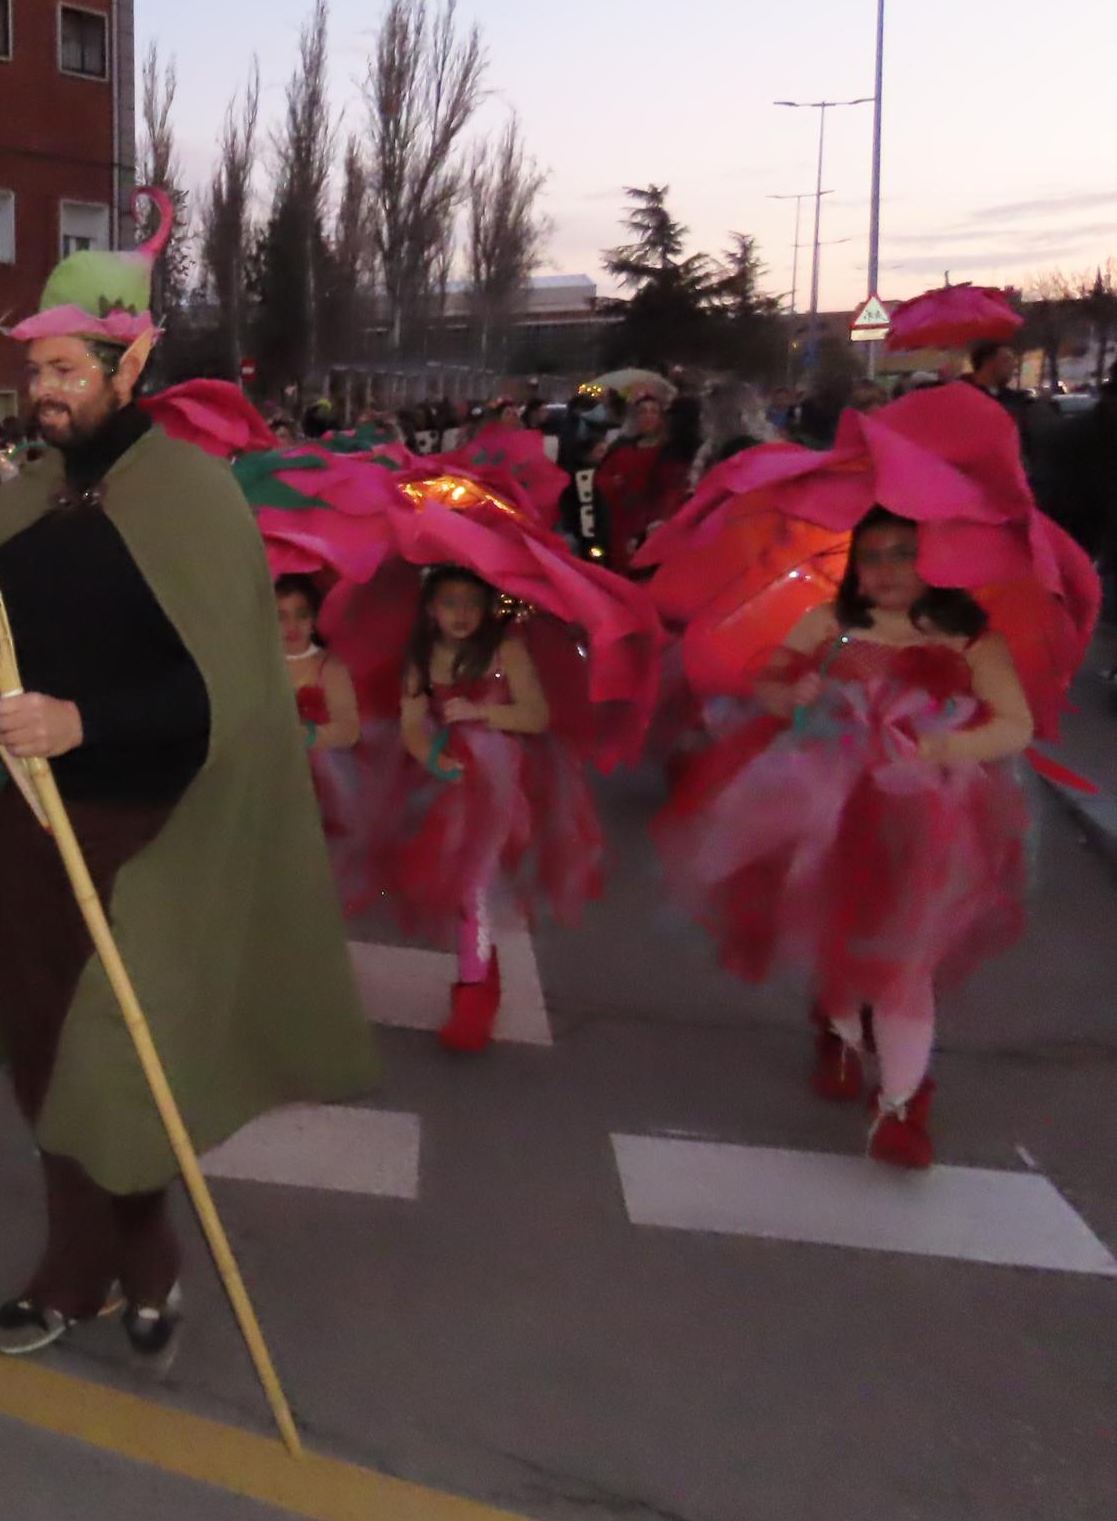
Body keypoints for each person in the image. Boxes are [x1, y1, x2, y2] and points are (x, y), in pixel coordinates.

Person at [0, 204, 375, 1359]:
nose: (44, 390)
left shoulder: (194, 498)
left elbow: (225, 696)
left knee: (124, 1062)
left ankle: (138, 1252)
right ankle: (80, 1268)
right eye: (36, 369)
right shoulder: (27, 495)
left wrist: (81, 718)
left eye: (65, 367)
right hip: (34, 831)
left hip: (151, 837)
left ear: (132, 361)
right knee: (49, 1054)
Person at [654, 509, 1035, 1169]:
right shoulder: (832, 625)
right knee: (837, 926)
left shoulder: (970, 642)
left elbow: (1015, 725)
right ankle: (839, 1032)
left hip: (928, 813)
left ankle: (902, 1102)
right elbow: (770, 687)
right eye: (873, 556)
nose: (886, 570)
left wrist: (942, 744)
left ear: (937, 559)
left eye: (903, 554)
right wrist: (792, 691)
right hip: (825, 802)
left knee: (905, 954)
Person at [389, 566, 603, 1054]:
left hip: (504, 786)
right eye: (449, 602)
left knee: (477, 884)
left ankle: (474, 992)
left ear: (487, 607)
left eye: (471, 602)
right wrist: (431, 757)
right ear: (430, 609)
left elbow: (536, 714)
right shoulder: (420, 660)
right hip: (449, 787)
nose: (461, 614)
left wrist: (481, 712)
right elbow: (411, 725)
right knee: (462, 889)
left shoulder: (507, 650)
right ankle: (479, 974)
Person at [276, 574, 367, 897]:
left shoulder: (328, 666)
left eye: (301, 614)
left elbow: (349, 727)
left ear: (315, 618)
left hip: (317, 772)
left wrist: (308, 736)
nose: (292, 626)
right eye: (281, 616)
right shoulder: (260, 665)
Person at [593, 390, 688, 572]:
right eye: (643, 412)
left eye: (653, 411)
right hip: (622, 526)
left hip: (655, 527)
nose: (648, 417)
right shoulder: (622, 450)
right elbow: (600, 481)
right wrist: (612, 484)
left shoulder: (670, 453)